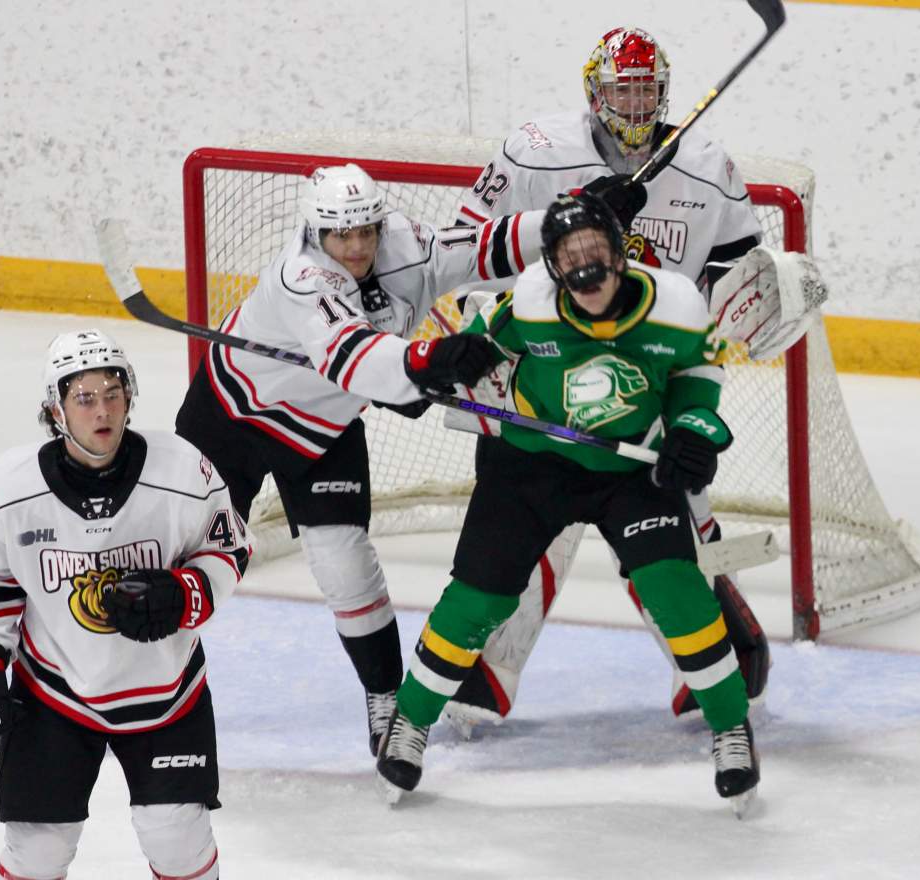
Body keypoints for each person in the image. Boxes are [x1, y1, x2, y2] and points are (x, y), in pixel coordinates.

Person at [377, 193, 760, 815]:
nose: (584, 269)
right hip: (530, 465)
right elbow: (473, 351)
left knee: (675, 590)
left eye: (595, 252)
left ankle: (731, 729)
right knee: (481, 595)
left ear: (620, 255)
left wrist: (694, 432)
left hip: (630, 471)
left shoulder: (681, 306)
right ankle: (410, 721)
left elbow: (701, 377)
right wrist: (438, 370)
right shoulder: (528, 303)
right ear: (553, 266)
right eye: (568, 256)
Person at [444, 25, 770, 734]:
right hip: (546, 377)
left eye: (646, 87)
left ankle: (712, 663)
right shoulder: (533, 151)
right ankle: (482, 673)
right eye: (622, 87)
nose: (635, 100)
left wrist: (745, 312)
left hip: (647, 386)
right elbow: (466, 248)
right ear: (594, 91)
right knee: (527, 529)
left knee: (668, 535)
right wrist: (571, 224)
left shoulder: (708, 166)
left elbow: (740, 273)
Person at [174, 163, 548, 757]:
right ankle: (143, 677)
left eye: (365, 232)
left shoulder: (406, 244)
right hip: (230, 416)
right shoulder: (300, 277)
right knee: (193, 554)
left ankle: (384, 698)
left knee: (346, 565)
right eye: (339, 236)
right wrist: (425, 364)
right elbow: (351, 357)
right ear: (315, 233)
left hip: (323, 429)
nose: (355, 247)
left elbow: (482, 246)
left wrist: (563, 223)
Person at [0, 328, 251, 880]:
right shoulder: (8, 488)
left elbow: (228, 547)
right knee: (36, 850)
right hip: (54, 692)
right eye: (84, 398)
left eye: (113, 393)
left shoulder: (182, 469)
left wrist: (185, 594)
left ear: (130, 398)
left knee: (177, 840)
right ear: (55, 409)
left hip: (168, 693)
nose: (102, 410)